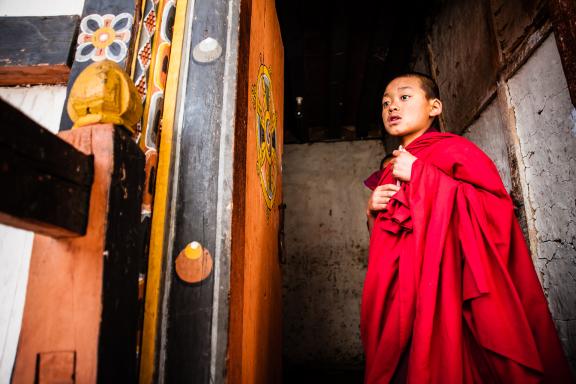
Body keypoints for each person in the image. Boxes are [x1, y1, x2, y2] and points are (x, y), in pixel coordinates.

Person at [361, 72, 572, 383]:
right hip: (404, 300)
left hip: (451, 289)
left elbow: (496, 211)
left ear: (434, 107)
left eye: (404, 97)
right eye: (385, 103)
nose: (393, 107)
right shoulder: (389, 170)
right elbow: (390, 242)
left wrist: (422, 174)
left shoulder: (455, 151)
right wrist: (372, 212)